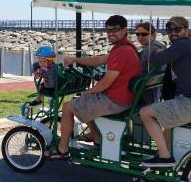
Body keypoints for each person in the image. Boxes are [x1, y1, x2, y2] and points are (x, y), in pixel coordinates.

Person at [49, 15, 141, 159]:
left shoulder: (122, 51)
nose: (111, 33)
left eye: (115, 30)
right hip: (123, 99)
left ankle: (62, 149)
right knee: (81, 102)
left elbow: (106, 82)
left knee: (68, 106)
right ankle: (97, 138)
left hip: (115, 101)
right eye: (108, 30)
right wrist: (75, 59)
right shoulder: (126, 47)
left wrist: (88, 92)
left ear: (124, 30)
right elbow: (99, 60)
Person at [139, 16, 191, 167]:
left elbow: (156, 60)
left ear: (186, 30)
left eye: (177, 29)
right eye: (170, 29)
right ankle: (163, 153)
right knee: (168, 120)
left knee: (145, 113)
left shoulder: (183, 45)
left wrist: (153, 48)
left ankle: (164, 157)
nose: (173, 32)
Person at [135, 22, 166, 104]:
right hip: (158, 89)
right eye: (138, 34)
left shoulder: (149, 50)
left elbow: (141, 71)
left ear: (153, 35)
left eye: (144, 34)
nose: (140, 37)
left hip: (147, 92)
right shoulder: (161, 46)